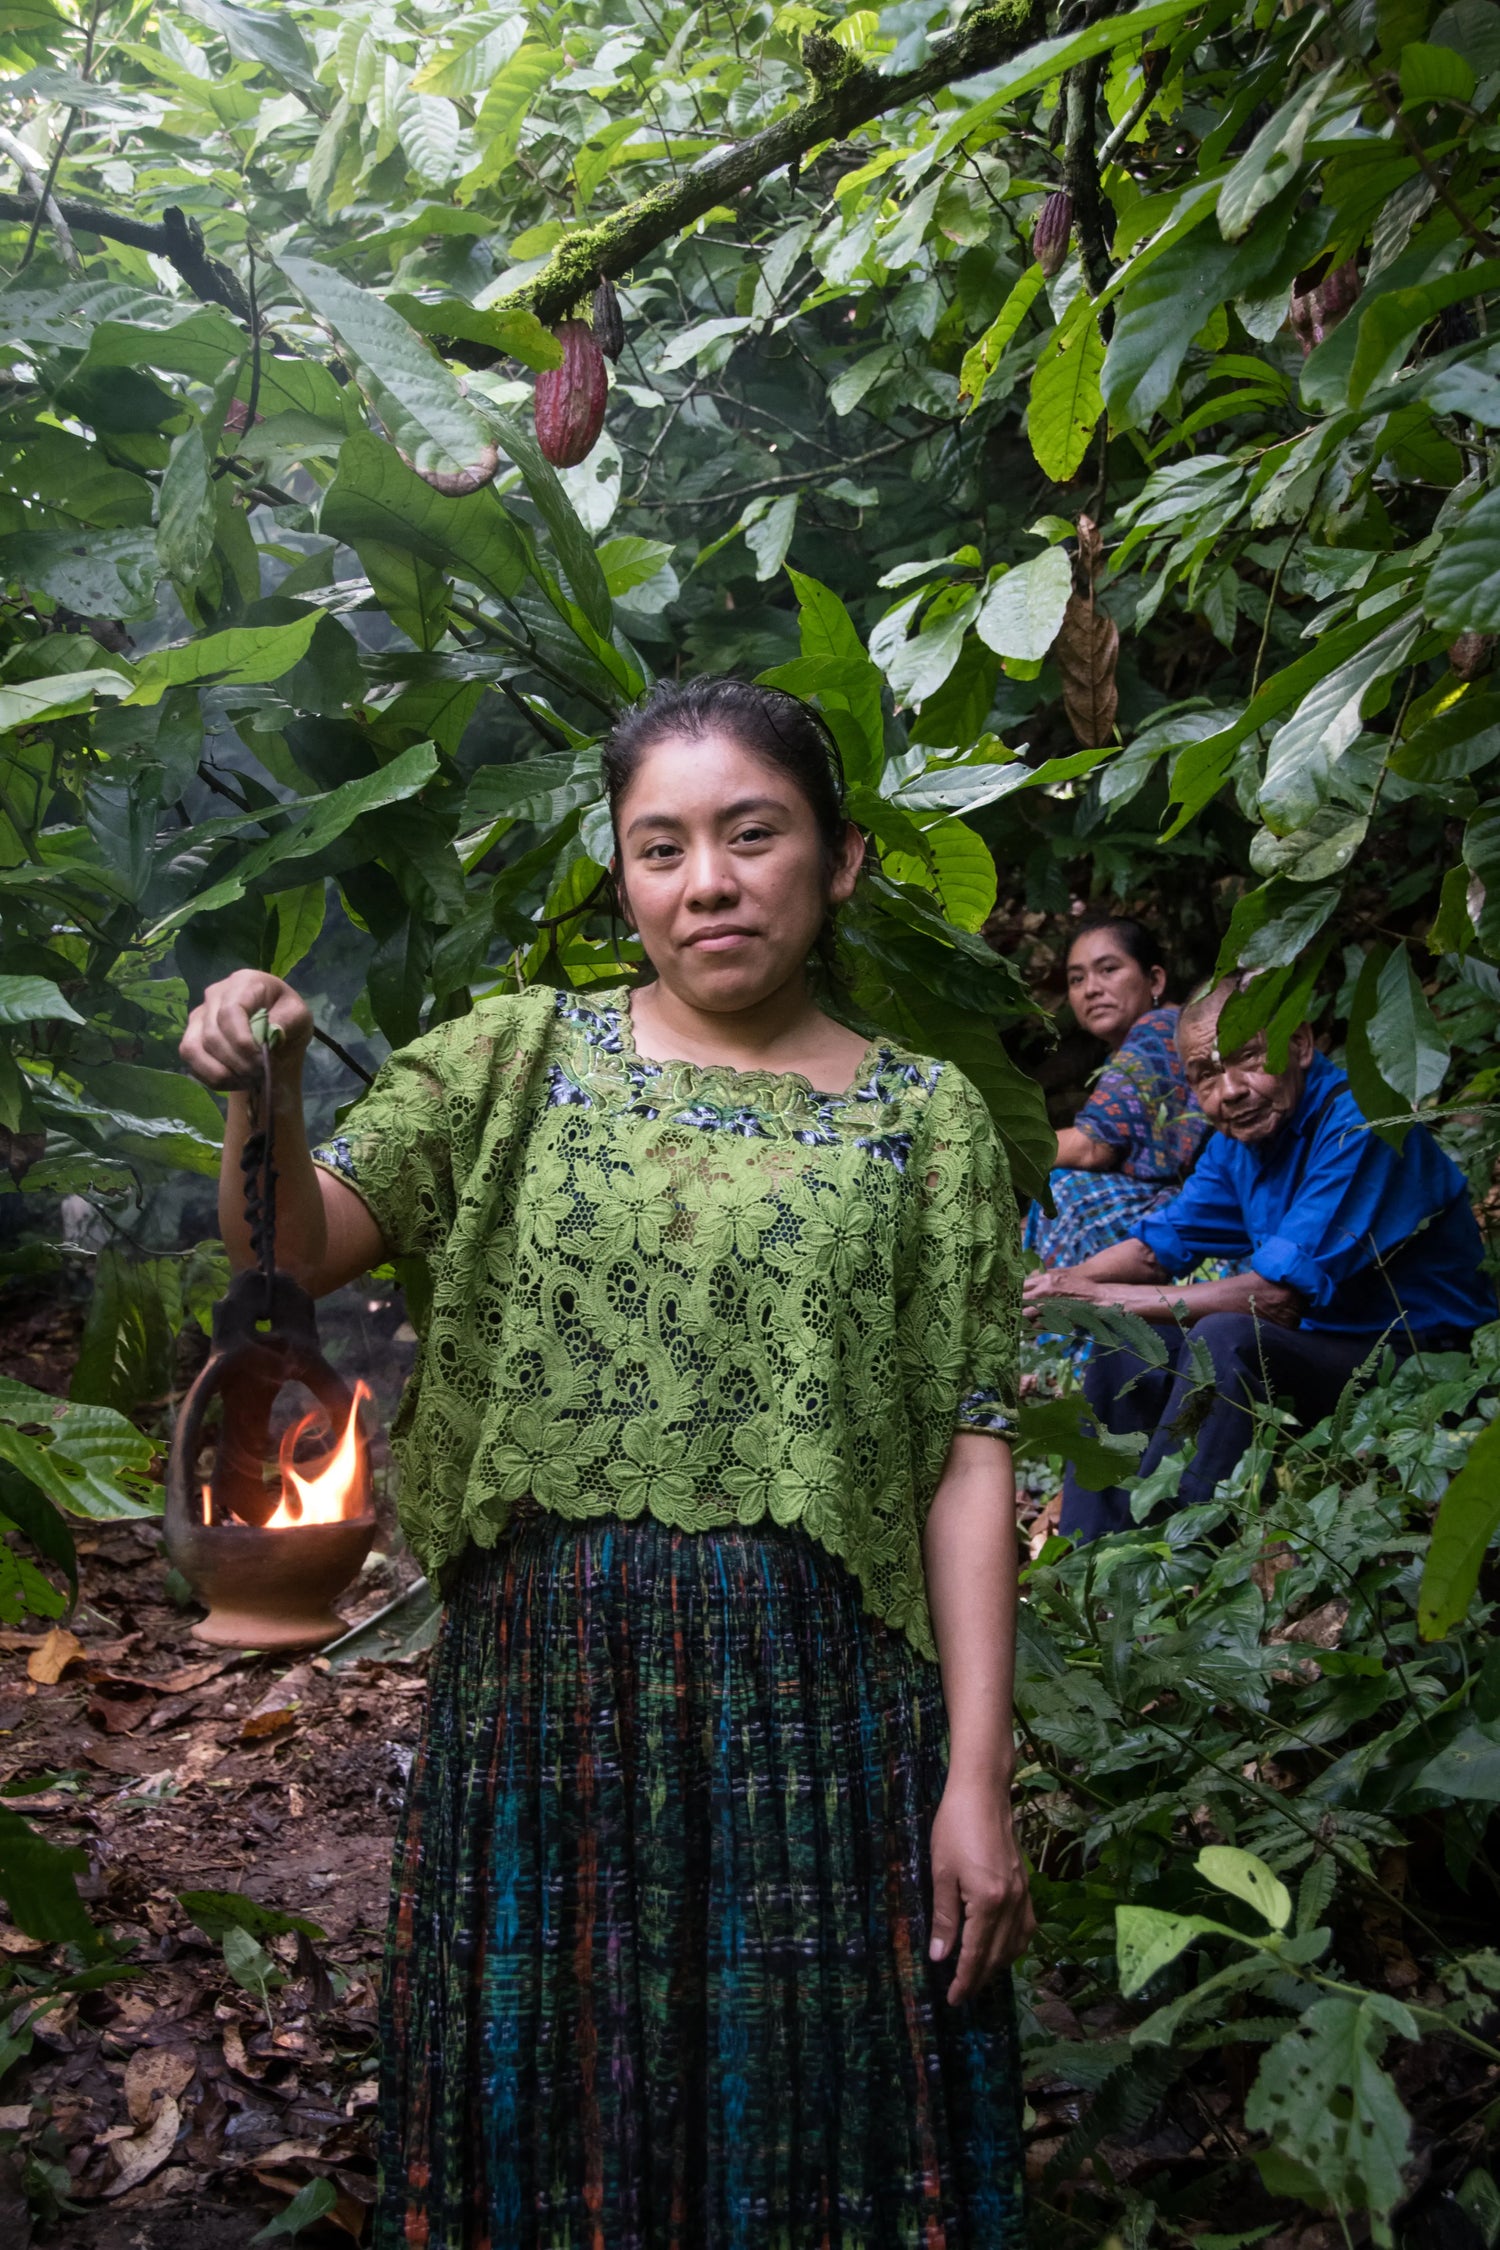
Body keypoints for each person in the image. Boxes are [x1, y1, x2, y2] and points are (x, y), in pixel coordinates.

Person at [181, 678, 1034, 2249]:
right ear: (626, 874)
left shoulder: (931, 1121)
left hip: (822, 1694)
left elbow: (967, 1454)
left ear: (838, 860)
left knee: (815, 2104)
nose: (706, 880)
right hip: (545, 1685)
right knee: (553, 2102)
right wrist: (265, 1086)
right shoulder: (512, 1060)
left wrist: (976, 1775)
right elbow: (291, 1249)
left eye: (750, 834)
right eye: (662, 847)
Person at [1022, 974, 1495, 1543]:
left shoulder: (1356, 1120)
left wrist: (1100, 1297)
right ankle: (1089, 1558)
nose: (1230, 1091)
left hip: (1415, 1355)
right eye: (1206, 1077)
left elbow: (1274, 1299)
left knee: (1227, 1336)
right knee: (1122, 1342)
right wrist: (1061, 1284)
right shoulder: (1239, 1144)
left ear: (1298, 1044)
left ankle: (1173, 1547)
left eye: (1247, 1059)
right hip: (1322, 1350)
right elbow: (1156, 1247)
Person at [1026, 914, 1209, 1272]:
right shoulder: (1133, 1047)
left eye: (1108, 970)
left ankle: (1071, 1322)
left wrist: (982, 1151)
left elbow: (1093, 1147)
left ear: (1155, 980)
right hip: (1194, 1211)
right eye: (1077, 979)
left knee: (1066, 1191)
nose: (1091, 988)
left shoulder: (1160, 1030)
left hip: (1201, 1212)